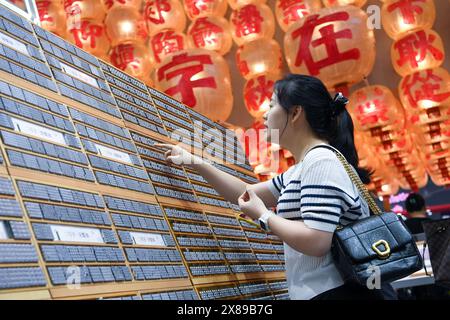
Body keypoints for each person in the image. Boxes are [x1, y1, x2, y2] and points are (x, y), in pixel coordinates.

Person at [156, 74, 386, 300]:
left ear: (295, 113)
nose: (264, 115)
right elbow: (246, 192)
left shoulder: (320, 162)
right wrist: (194, 161)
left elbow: (317, 241)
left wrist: (264, 216)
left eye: (272, 105)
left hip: (334, 292)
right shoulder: (304, 167)